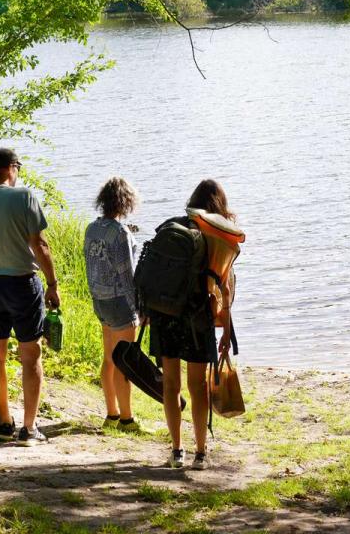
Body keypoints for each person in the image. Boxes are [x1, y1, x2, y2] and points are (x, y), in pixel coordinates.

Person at [0, 148, 60, 445]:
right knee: (30, 357)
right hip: (23, 285)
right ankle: (29, 429)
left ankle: (4, 423)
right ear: (11, 169)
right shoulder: (24, 197)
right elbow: (40, 244)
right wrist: (52, 283)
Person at [149, 179, 237, 470]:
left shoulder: (171, 226)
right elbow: (224, 288)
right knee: (197, 385)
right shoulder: (218, 234)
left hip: (164, 312)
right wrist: (226, 329)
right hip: (196, 315)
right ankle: (200, 452)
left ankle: (176, 450)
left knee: (170, 383)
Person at [84, 176, 143, 433]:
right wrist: (138, 309)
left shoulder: (92, 228)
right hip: (119, 302)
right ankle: (127, 420)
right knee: (124, 362)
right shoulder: (120, 233)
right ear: (126, 202)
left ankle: (111, 414)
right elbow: (127, 274)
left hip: (100, 299)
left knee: (108, 358)